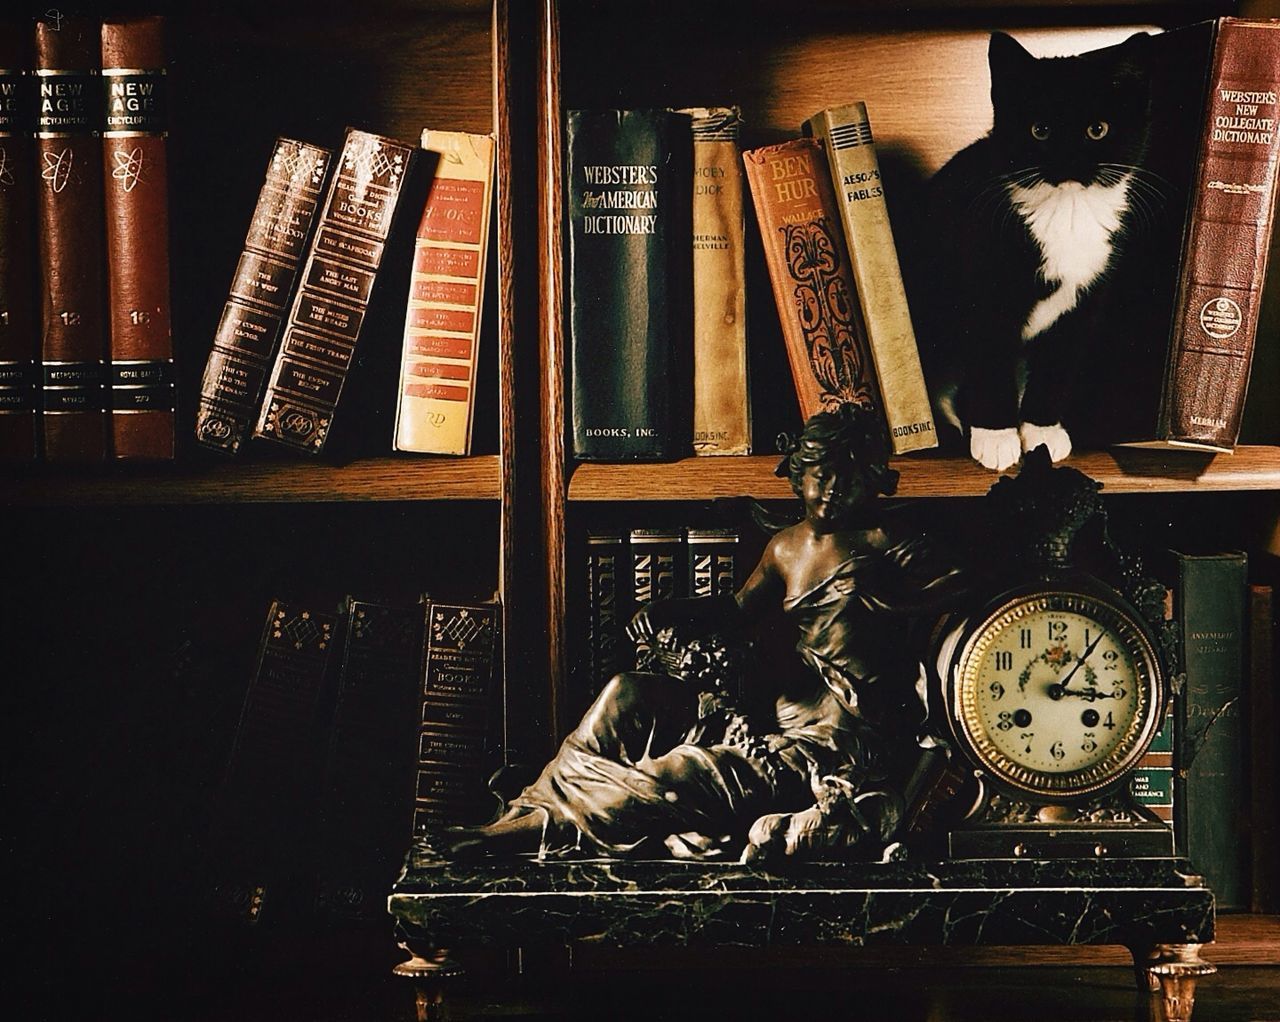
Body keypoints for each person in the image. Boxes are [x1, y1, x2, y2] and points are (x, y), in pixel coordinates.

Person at [444, 404, 962, 862]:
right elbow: (737, 609)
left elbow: (962, 592)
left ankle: (534, 831)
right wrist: (670, 608)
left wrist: (898, 601)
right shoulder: (786, 546)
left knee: (681, 773)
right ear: (798, 476)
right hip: (779, 709)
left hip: (836, 741)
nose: (830, 490)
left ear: (871, 480)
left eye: (847, 478)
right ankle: (531, 804)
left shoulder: (886, 541)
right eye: (820, 475)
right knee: (626, 692)